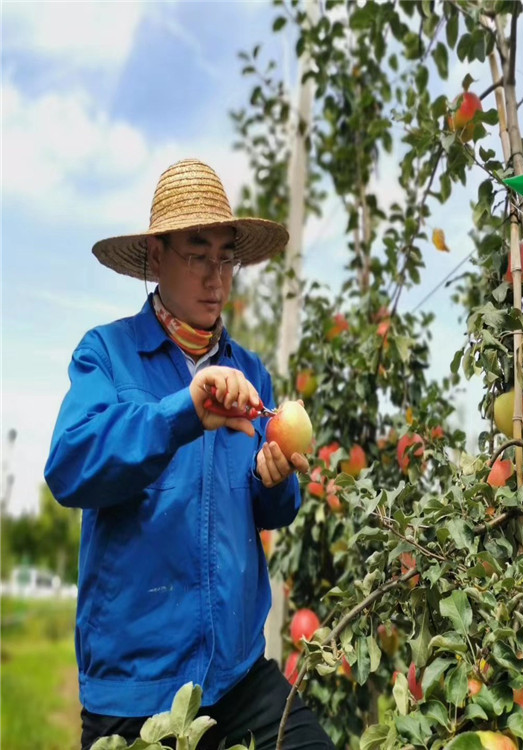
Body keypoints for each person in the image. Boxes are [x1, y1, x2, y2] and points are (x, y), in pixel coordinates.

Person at [45, 159, 334, 749]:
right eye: (197, 255)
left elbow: (273, 508)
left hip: (236, 678)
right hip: (138, 691)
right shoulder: (108, 354)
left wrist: (274, 480)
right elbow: (70, 467)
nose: (216, 277)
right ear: (157, 256)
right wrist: (182, 413)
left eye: (225, 257)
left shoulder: (249, 372)